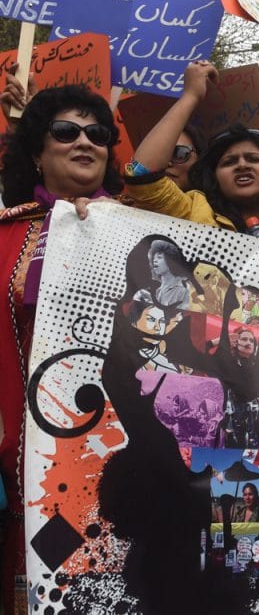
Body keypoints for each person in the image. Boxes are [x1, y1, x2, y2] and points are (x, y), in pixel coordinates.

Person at [0, 83, 123, 614]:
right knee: (45, 586)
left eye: (96, 133)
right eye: (66, 131)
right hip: (30, 453)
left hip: (122, 455)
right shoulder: (5, 237)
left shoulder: (145, 235)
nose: (84, 142)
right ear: (36, 151)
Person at [123, 59, 259, 242]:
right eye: (229, 162)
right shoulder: (194, 212)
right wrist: (191, 95)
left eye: (253, 159)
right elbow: (141, 173)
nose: (242, 165)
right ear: (214, 178)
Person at [147, 239, 193, 309]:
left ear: (170, 262)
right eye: (154, 258)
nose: (154, 260)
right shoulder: (157, 291)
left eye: (159, 257)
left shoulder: (182, 292)